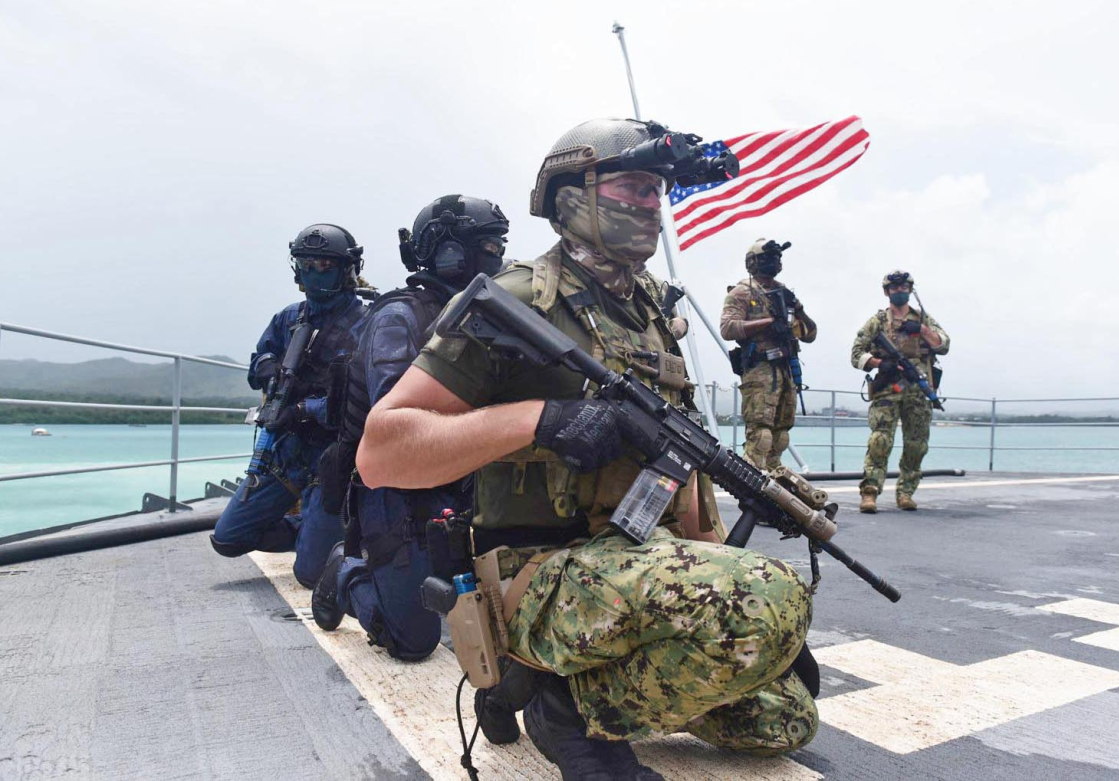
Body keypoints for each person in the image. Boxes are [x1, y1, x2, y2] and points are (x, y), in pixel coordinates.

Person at [356, 119, 817, 780]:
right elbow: (382, 449)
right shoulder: (517, 297)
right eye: (635, 185)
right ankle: (564, 706)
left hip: (632, 559)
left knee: (786, 716)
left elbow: (679, 472)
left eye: (659, 191)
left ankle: (595, 689)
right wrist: (543, 419)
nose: (652, 205)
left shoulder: (652, 310)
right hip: (537, 571)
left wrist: (732, 584)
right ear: (573, 193)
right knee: (766, 602)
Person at [310, 195, 510, 662]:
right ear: (448, 253)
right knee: (413, 643)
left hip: (462, 478)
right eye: (487, 245)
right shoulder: (400, 318)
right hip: (399, 492)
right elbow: (399, 423)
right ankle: (348, 575)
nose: (497, 255)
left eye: (498, 245)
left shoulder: (488, 314)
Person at [209, 224, 367, 587]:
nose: (314, 273)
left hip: (333, 458)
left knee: (310, 575)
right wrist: (267, 369)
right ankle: (315, 533)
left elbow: (362, 401)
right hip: (286, 453)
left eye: (324, 264)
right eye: (306, 263)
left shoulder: (368, 324)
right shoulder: (289, 318)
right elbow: (260, 358)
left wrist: (300, 410)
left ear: (346, 269)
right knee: (227, 539)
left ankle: (336, 535)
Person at [850, 270, 950, 512]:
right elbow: (856, 354)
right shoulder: (877, 322)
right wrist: (878, 363)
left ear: (910, 290)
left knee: (916, 444)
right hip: (888, 388)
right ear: (887, 292)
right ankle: (870, 492)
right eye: (894, 288)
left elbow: (944, 344)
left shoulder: (923, 319)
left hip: (918, 389)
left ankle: (906, 492)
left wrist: (922, 330)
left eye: (903, 287)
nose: (899, 291)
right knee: (879, 440)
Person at [720, 239, 817, 470]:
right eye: (767, 258)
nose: (773, 262)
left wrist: (798, 311)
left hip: (786, 369)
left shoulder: (784, 293)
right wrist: (767, 323)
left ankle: (775, 484)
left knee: (781, 434)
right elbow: (728, 328)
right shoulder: (742, 292)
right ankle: (752, 482)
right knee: (760, 434)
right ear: (753, 262)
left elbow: (810, 334)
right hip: (760, 370)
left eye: (776, 257)